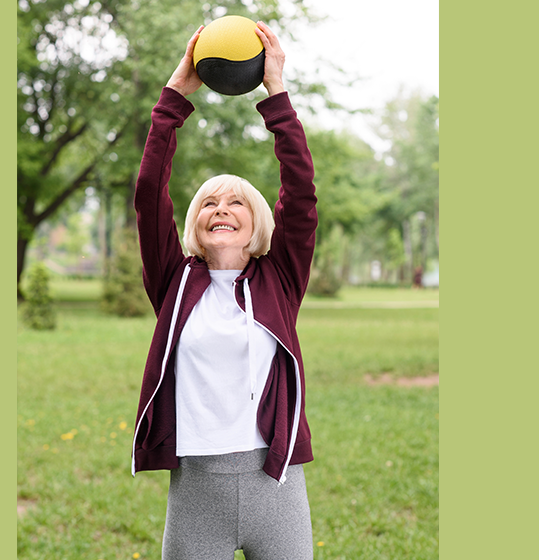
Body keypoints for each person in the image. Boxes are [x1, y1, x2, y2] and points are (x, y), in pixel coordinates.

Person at [131, 21, 317, 559]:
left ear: (255, 221)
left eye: (235, 202)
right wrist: (173, 100)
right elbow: (148, 195)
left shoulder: (279, 278)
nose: (221, 210)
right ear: (196, 223)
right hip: (197, 491)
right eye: (209, 202)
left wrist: (276, 92)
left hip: (274, 484)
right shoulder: (175, 279)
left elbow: (300, 194)